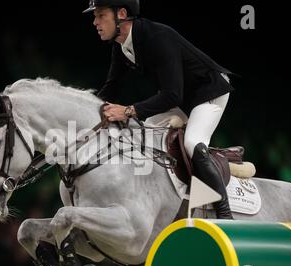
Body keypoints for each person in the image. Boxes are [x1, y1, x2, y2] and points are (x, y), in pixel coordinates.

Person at [83, 0, 234, 219]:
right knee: (145, 132)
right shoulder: (121, 45)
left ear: (122, 14)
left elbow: (172, 94)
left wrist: (127, 111)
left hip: (208, 92)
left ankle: (225, 215)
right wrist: (88, 114)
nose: (95, 22)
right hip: (182, 100)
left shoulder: (158, 37)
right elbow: (111, 88)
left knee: (193, 143)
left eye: (100, 15)